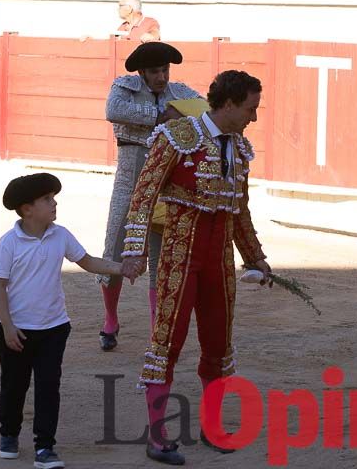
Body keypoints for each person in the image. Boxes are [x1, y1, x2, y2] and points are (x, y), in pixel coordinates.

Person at [121, 70, 272, 466]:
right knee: (167, 342)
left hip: (219, 259)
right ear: (227, 104)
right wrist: (135, 251)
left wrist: (255, 256)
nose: (253, 118)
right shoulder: (177, 136)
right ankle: (157, 435)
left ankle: (211, 426)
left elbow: (239, 210)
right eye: (249, 109)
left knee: (218, 343)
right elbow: (143, 196)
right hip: (178, 255)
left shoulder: (239, 149)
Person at [0, 172, 134, 468]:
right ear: (27, 209)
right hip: (17, 330)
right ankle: (9, 433)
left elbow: (88, 261)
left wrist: (121, 268)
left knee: (48, 386)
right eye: (47, 199)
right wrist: (7, 326)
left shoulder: (61, 235)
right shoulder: (9, 243)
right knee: (14, 386)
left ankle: (45, 447)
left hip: (54, 328)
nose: (54, 203)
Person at [98, 42, 201, 352]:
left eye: (166, 70)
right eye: (156, 71)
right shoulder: (124, 87)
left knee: (160, 257)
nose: (162, 77)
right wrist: (160, 114)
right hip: (130, 184)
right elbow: (112, 110)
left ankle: (158, 329)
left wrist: (180, 115)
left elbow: (204, 111)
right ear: (142, 72)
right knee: (115, 249)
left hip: (164, 188)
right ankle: (110, 319)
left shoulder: (180, 91)